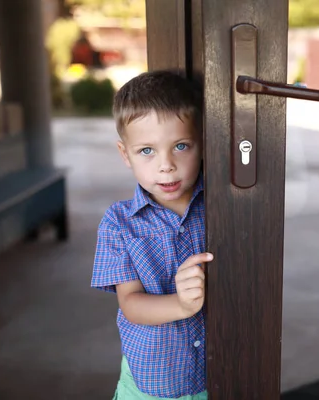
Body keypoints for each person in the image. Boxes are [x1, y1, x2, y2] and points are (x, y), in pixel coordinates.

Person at [91, 69, 212, 400]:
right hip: (150, 385)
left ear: (202, 143)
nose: (166, 165)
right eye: (147, 150)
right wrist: (182, 304)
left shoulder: (218, 208)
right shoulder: (119, 224)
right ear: (124, 154)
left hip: (215, 377)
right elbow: (130, 304)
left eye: (181, 146)